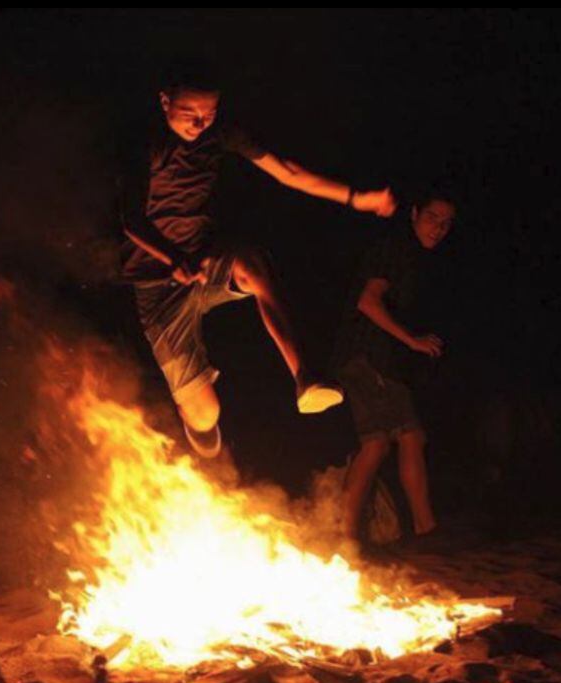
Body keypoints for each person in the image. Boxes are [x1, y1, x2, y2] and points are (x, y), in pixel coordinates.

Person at [121, 71, 396, 457]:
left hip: (205, 264)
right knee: (206, 414)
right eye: (189, 113)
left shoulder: (221, 135)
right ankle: (197, 427)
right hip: (158, 288)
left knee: (251, 261)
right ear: (165, 101)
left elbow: (288, 171)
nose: (200, 123)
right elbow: (130, 219)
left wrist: (356, 198)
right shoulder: (144, 144)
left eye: (209, 112)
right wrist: (172, 259)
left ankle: (305, 378)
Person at [331, 189, 457, 546]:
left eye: (446, 223)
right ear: (415, 213)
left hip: (372, 359)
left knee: (378, 444)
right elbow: (368, 301)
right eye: (433, 218)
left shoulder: (415, 257)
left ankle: (348, 534)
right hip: (367, 357)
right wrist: (412, 340)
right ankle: (424, 528)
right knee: (408, 436)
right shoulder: (395, 248)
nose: (439, 228)